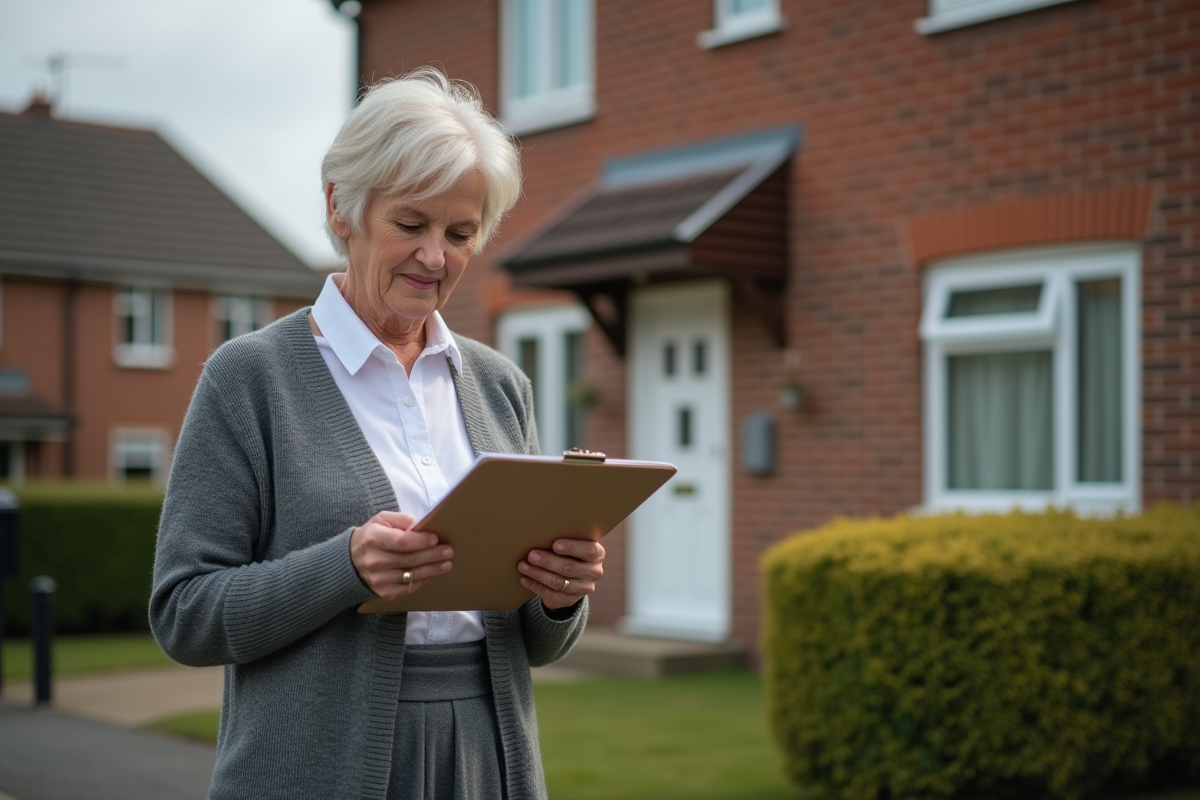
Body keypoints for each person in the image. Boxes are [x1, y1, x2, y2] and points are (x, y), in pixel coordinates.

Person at [149, 68, 605, 800]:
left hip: (490, 762)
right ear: (341, 208)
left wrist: (558, 598)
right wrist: (346, 567)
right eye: (411, 224)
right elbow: (184, 615)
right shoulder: (249, 379)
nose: (435, 257)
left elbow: (535, 643)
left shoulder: (498, 385)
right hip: (315, 769)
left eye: (460, 233)